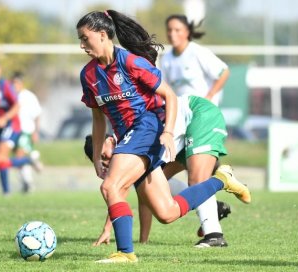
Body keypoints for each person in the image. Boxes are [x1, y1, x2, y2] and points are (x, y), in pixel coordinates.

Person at [76, 10, 250, 263]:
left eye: (85, 38)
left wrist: (168, 133)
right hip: (128, 137)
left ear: (103, 35)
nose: (81, 45)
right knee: (166, 212)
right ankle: (222, 179)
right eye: (79, 39)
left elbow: (168, 95)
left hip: (147, 127)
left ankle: (126, 254)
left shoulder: (131, 63)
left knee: (110, 185)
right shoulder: (88, 75)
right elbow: (97, 118)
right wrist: (95, 158)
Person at [84, 131, 231, 247]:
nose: (107, 162)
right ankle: (209, 205)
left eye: (104, 156)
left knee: (195, 181)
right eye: (102, 162)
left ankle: (214, 232)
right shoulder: (125, 142)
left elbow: (118, 190)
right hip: (176, 142)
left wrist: (107, 229)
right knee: (152, 194)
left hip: (191, 123)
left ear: (110, 141)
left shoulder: (126, 143)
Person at [160, 14, 231, 246]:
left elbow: (224, 72)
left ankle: (214, 236)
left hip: (202, 118)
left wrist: (209, 97)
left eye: (177, 29)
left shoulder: (197, 52)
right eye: (169, 30)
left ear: (187, 32)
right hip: (181, 121)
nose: (173, 34)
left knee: (197, 178)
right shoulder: (167, 58)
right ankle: (212, 207)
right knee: (158, 176)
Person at [0, 58, 38, 195]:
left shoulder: (5, 86)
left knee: (0, 158)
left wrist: (4, 118)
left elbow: (17, 106)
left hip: (11, 125)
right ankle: (6, 191)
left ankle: (26, 161)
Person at [11, 71, 43, 193]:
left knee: (20, 155)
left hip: (26, 130)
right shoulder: (12, 96)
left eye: (16, 83)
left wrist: (36, 131)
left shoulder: (28, 96)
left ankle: (27, 183)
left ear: (21, 83)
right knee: (20, 158)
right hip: (14, 131)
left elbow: (37, 115)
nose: (14, 85)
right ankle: (27, 180)